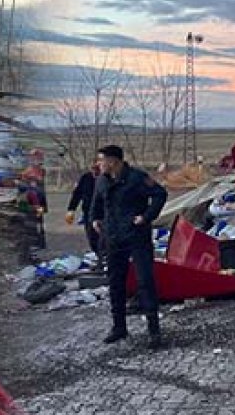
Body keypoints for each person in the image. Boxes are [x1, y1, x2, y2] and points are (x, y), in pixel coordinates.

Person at [91, 145, 168, 349]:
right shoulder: (102, 180)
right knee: (115, 283)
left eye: (102, 160)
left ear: (114, 161)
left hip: (136, 236)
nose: (99, 164)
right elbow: (96, 201)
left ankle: (153, 331)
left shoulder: (136, 178)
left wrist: (146, 216)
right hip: (113, 238)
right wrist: (95, 219)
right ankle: (119, 327)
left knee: (145, 281)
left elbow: (160, 194)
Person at [67, 161, 104, 267]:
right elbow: (77, 193)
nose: (95, 172)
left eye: (97, 170)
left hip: (103, 214)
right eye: (93, 170)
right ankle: (99, 257)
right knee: (92, 238)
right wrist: (71, 209)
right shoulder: (85, 178)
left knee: (103, 239)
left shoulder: (106, 179)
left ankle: (104, 260)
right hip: (88, 213)